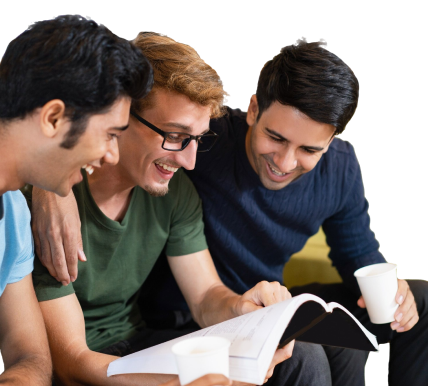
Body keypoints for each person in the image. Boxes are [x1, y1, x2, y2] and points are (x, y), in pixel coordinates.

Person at [35, 37, 428, 385]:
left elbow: (357, 253)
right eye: (275, 138)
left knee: (427, 300)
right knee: (311, 355)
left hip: (258, 301)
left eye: (309, 149)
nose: (286, 163)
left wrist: (390, 289)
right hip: (179, 316)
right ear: (253, 111)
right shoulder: (202, 138)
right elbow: (113, 76)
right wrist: (49, 178)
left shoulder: (333, 165)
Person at [24, 32, 322, 386]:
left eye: (196, 139)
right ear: (121, 115)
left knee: (301, 357)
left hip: (139, 345)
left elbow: (206, 297)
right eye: (176, 136)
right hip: (88, 365)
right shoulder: (44, 204)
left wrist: (241, 308)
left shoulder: (175, 193)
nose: (190, 161)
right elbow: (71, 362)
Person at [0, 15, 153, 386]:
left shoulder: (15, 212)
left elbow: (32, 357)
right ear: (53, 117)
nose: (111, 155)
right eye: (110, 134)